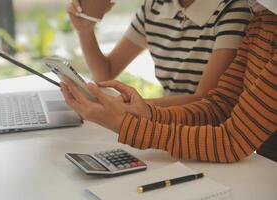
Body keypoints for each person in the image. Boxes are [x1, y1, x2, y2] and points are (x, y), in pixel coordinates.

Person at [60, 0, 277, 163]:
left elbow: (232, 140)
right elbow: (219, 106)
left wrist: (125, 123)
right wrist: (144, 112)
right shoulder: (263, 18)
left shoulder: (238, 10)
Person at [67, 0, 252, 107]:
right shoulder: (154, 6)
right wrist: (85, 30)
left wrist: (122, 107)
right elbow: (105, 72)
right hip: (168, 123)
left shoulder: (234, 8)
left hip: (210, 132)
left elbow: (206, 102)